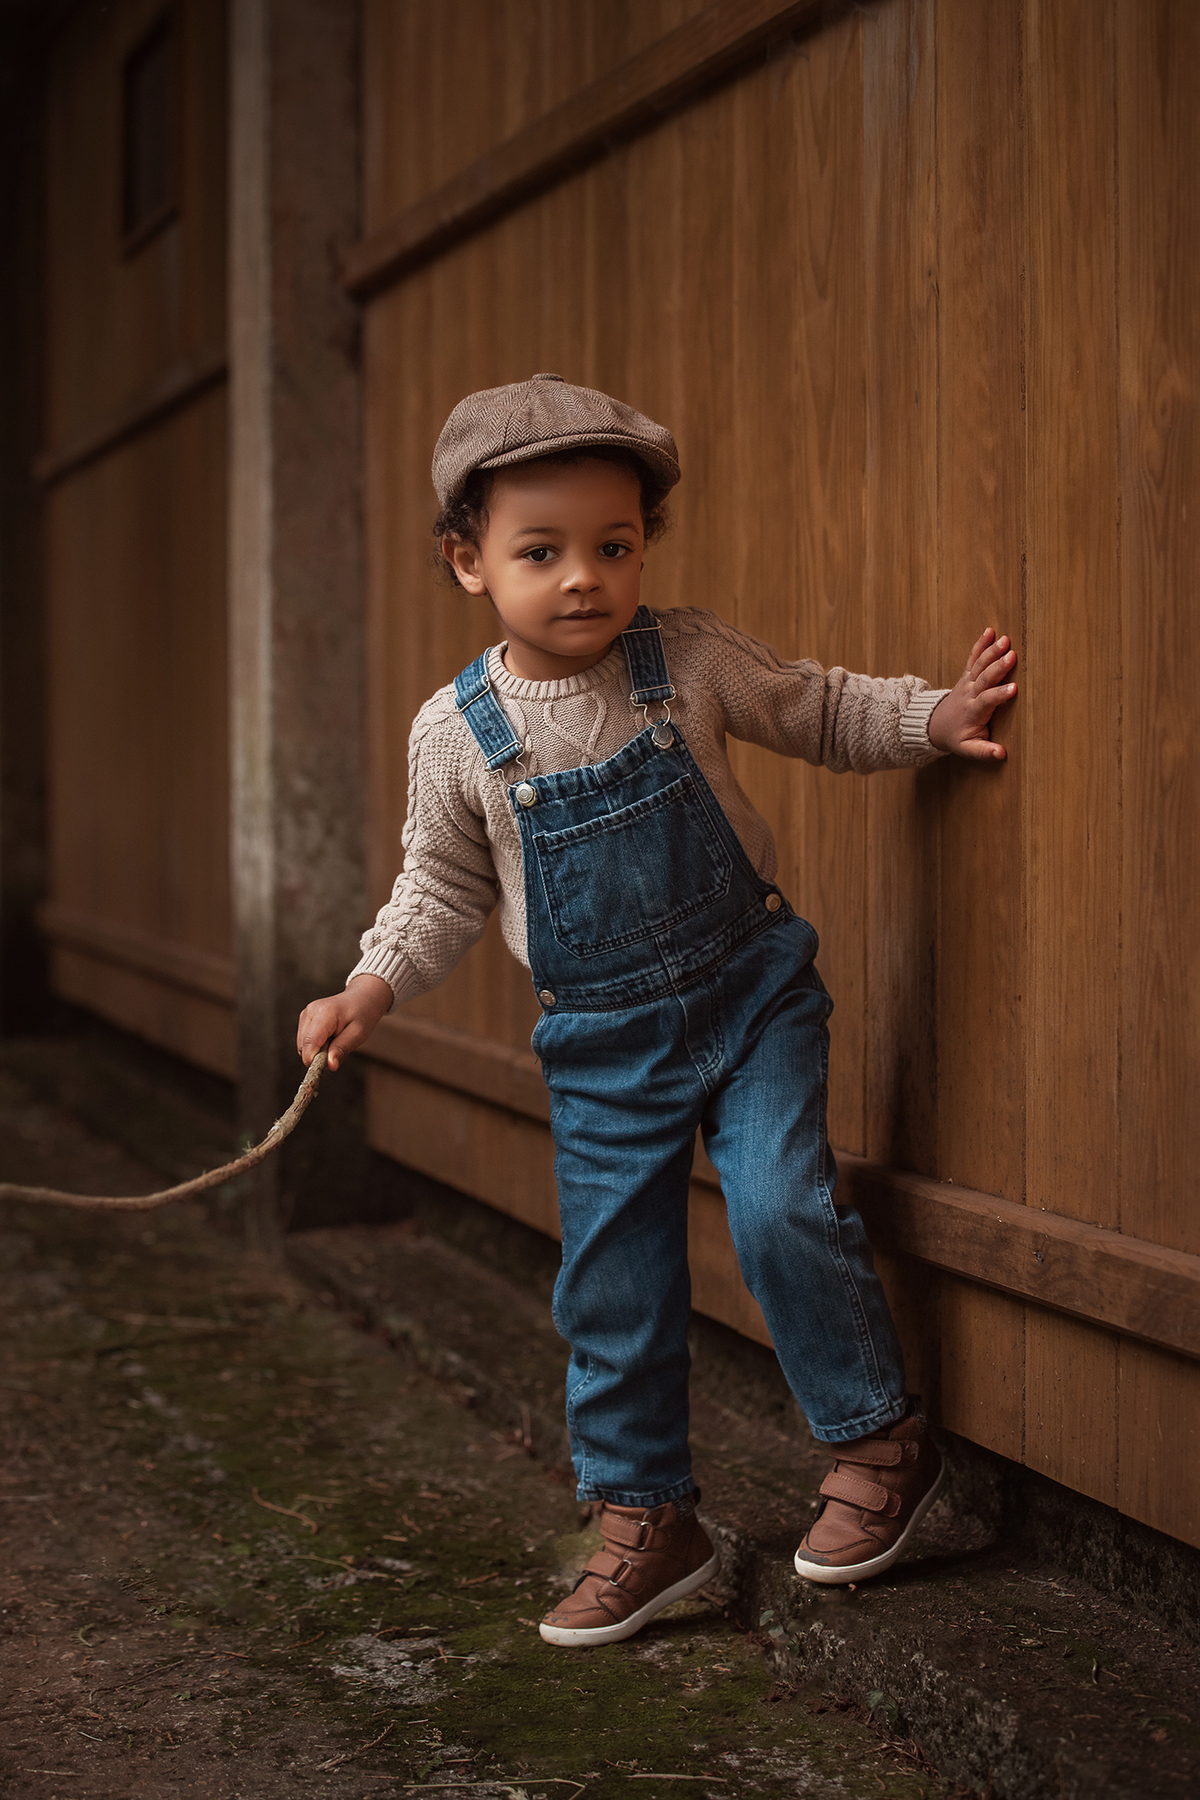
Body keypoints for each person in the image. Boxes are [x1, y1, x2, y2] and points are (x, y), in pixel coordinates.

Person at [296, 374, 1018, 1649]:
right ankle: (650, 1520)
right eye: (541, 552)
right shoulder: (455, 735)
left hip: (750, 994)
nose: (584, 577)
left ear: (644, 547)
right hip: (601, 1045)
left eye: (612, 546)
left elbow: (816, 703)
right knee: (612, 1285)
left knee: (780, 1201)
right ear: (467, 562)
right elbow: (438, 887)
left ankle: (879, 1443)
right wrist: (369, 984)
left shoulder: (684, 658)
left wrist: (929, 717)